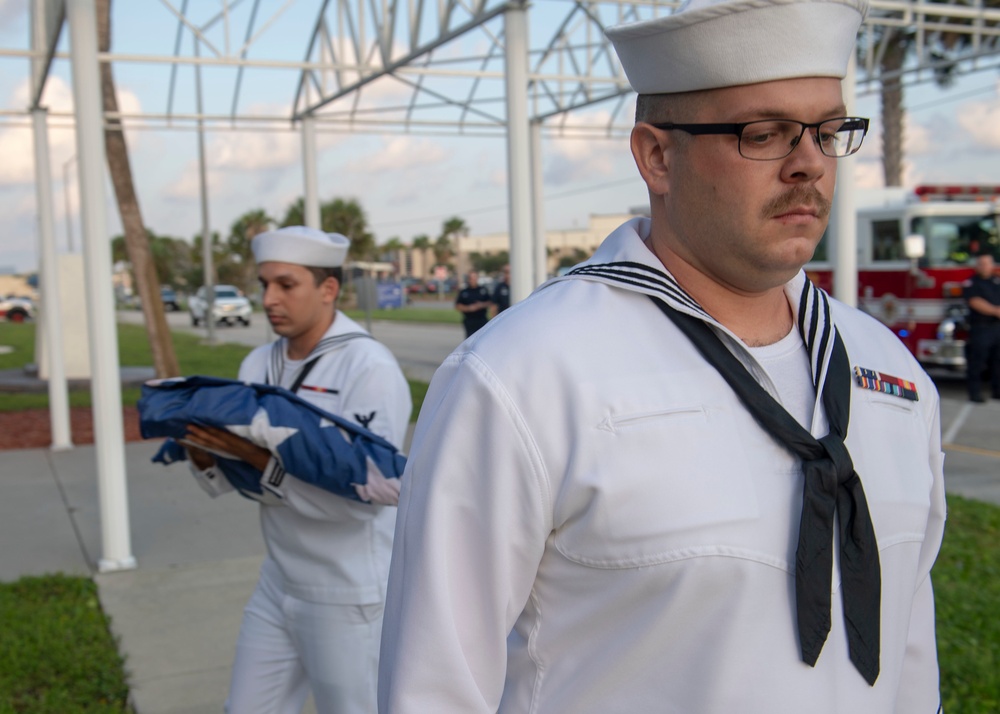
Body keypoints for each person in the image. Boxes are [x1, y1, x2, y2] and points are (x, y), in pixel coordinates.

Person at [378, 1, 946, 712]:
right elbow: (432, 686)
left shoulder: (889, 373)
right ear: (656, 156)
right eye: (764, 133)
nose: (808, 165)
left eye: (829, 132)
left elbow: (910, 656)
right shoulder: (525, 377)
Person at [182, 225, 411, 714]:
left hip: (348, 591)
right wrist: (205, 454)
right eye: (264, 284)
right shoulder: (256, 363)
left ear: (328, 289)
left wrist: (262, 463)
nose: (269, 299)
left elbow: (369, 495)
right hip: (279, 579)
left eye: (286, 285)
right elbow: (245, 476)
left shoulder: (368, 366)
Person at [963, 252, 1000, 402]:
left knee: (998, 361)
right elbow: (974, 301)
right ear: (977, 266)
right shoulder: (972, 283)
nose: (985, 266)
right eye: (982, 263)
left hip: (997, 327)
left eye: (987, 263)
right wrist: (995, 311)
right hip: (981, 327)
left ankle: (997, 391)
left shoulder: (997, 281)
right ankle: (975, 393)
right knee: (977, 362)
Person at [454, 271, 491, 337]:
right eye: (471, 278)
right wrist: (469, 308)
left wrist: (481, 305)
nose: (472, 280)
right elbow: (458, 306)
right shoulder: (464, 291)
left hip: (482, 319)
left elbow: (490, 302)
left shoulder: (483, 290)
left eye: (474, 278)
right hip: (469, 320)